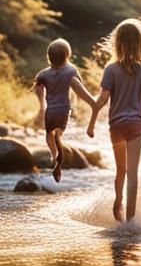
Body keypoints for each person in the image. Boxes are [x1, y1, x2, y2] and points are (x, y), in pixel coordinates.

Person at [87, 18, 141, 223]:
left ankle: (118, 201)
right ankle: (131, 220)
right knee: (132, 174)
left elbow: (101, 100)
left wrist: (91, 122)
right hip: (135, 126)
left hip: (116, 127)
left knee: (120, 171)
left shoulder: (111, 69)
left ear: (117, 43)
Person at [34, 38, 97, 182]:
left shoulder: (43, 74)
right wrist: (89, 103)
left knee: (49, 133)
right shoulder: (71, 71)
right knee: (59, 133)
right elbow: (78, 86)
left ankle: (53, 154)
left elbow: (38, 90)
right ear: (67, 55)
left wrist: (41, 106)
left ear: (49, 57)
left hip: (50, 110)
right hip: (63, 110)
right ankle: (58, 148)